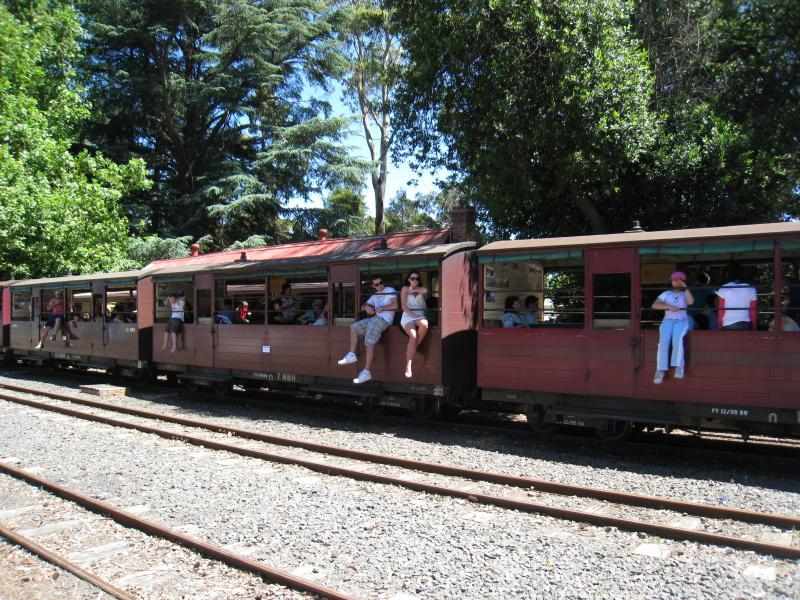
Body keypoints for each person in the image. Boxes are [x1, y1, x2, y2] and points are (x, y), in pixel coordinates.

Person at [337, 277, 398, 384]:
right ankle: (351, 354)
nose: (379, 286)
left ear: (383, 282)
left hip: (385, 319)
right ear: (373, 286)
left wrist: (382, 308)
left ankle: (366, 372)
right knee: (354, 327)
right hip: (375, 318)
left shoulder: (390, 290)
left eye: (380, 283)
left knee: (369, 338)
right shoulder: (375, 295)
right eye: (376, 285)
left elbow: (395, 305)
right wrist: (367, 307)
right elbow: (362, 307)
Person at [651, 271, 694, 384]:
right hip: (668, 321)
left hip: (681, 321)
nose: (676, 282)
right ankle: (660, 370)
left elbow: (690, 302)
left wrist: (686, 288)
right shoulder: (666, 293)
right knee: (663, 342)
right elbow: (655, 305)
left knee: (677, 340)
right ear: (671, 282)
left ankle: (679, 366)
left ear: (683, 282)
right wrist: (669, 306)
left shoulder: (685, 293)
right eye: (675, 280)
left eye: (679, 280)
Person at [400, 271, 429, 378]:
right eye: (412, 278)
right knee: (413, 335)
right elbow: (403, 306)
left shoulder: (422, 288)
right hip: (408, 314)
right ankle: (408, 365)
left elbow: (426, 291)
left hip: (420, 313)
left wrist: (416, 290)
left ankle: (411, 350)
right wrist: (413, 315)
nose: (415, 280)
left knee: (425, 324)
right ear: (408, 279)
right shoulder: (405, 289)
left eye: (417, 279)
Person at [716, 264, 757, 330]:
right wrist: (754, 327)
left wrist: (720, 327)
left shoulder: (723, 289)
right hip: (746, 324)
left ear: (728, 274)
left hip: (728, 325)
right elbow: (753, 312)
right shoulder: (751, 289)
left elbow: (721, 311)